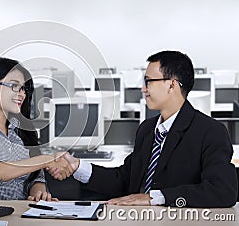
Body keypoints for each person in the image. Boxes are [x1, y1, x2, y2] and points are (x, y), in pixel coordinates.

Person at [50, 50, 238, 207]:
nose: (143, 89)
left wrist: (155, 198)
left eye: (149, 81)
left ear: (171, 85)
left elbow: (223, 191)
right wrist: (78, 166)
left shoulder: (210, 131)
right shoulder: (147, 130)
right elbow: (123, 180)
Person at [0, 57, 72, 201]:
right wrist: (47, 160)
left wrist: (38, 195)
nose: (22, 94)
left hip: (24, 214)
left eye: (23, 88)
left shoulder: (21, 129)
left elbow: (36, 176)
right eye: (14, 86)